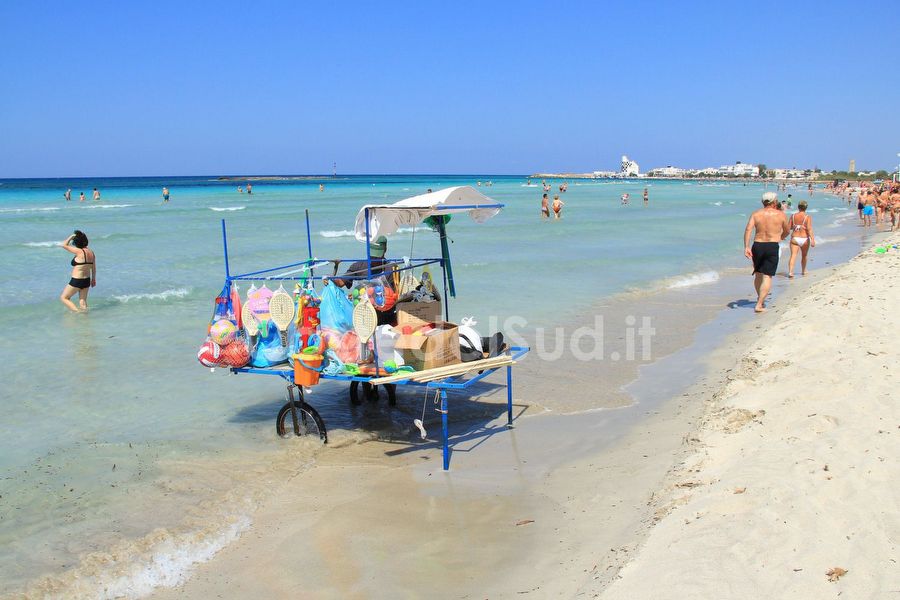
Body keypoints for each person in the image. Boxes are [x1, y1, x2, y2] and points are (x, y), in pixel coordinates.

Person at [333, 236, 396, 325]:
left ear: (385, 250)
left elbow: (391, 296)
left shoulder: (391, 269)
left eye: (377, 255)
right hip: (363, 317)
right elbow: (340, 282)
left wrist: (370, 295)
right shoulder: (359, 267)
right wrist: (331, 277)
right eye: (372, 255)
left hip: (385, 318)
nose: (374, 258)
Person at [743, 192, 789, 313]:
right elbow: (787, 230)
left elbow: (748, 229)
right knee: (767, 275)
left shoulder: (756, 214)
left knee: (758, 273)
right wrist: (781, 237)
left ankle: (761, 298)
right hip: (772, 245)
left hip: (757, 245)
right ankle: (759, 304)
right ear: (774, 202)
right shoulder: (780, 214)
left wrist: (746, 246)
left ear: (763, 202)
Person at [59, 230, 96, 312]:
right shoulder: (91, 253)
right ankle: (85, 318)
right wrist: (93, 279)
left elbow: (63, 245)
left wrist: (71, 236)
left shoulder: (79, 251)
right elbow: (93, 268)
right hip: (87, 280)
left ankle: (77, 313)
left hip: (77, 280)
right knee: (83, 302)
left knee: (64, 298)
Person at [787, 200, 815, 278]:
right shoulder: (807, 217)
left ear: (798, 207)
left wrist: (782, 236)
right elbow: (809, 229)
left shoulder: (793, 216)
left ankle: (790, 272)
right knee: (804, 255)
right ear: (806, 208)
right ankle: (803, 270)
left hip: (795, 238)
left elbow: (788, 228)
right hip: (805, 238)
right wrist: (812, 239)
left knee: (793, 255)